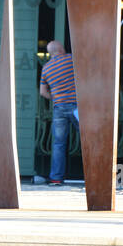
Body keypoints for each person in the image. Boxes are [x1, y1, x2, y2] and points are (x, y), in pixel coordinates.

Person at [39, 40, 77, 185]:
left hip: (59, 108)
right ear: (61, 49)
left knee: (59, 144)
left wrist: (57, 99)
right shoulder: (71, 59)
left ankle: (56, 178)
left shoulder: (46, 68)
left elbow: (43, 92)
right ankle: (97, 174)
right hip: (77, 107)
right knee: (89, 138)